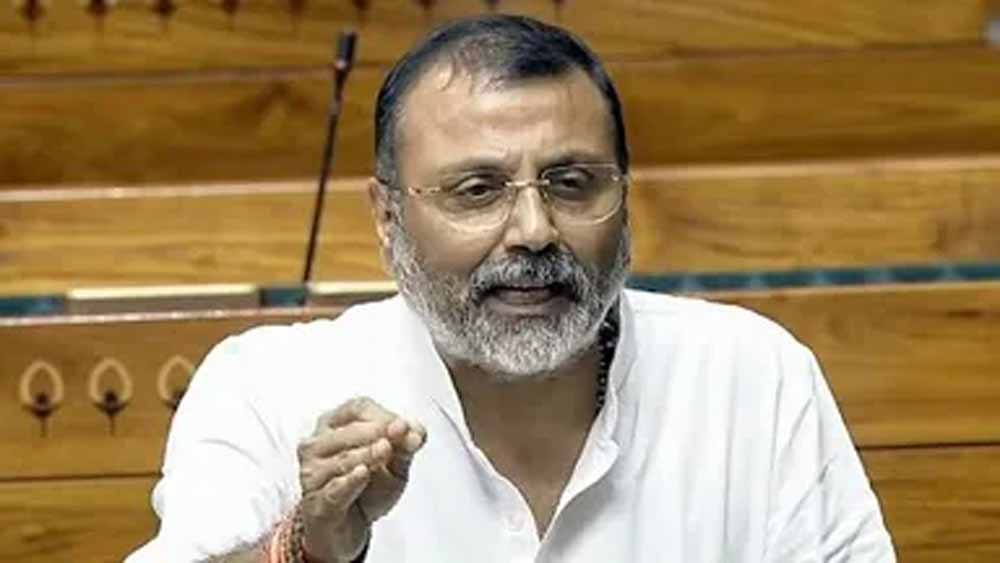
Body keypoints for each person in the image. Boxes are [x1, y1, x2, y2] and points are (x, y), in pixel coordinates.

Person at [126, 14, 895, 563]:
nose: (533, 229)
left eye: (572, 182)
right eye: (477, 190)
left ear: (625, 194)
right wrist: (305, 547)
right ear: (388, 217)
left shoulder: (751, 375)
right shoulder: (268, 385)